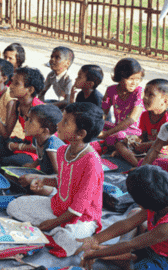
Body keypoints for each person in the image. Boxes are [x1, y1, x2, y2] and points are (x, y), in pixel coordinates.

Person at [6, 103, 105, 256]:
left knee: (67, 240)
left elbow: (79, 208)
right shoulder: (62, 151)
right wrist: (42, 180)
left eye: (65, 122)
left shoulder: (92, 163)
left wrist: (53, 223)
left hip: (82, 218)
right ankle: (55, 231)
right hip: (58, 206)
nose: (59, 124)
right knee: (14, 206)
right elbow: (63, 180)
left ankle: (58, 231)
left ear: (80, 134)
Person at [78, 165, 168, 270]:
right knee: (135, 213)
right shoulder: (160, 203)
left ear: (143, 202)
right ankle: (126, 255)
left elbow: (131, 244)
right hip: (154, 243)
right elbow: (127, 224)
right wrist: (95, 239)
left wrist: (93, 254)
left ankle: (126, 262)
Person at [0, 67, 45, 166]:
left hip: (38, 153)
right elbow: (6, 134)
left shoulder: (39, 109)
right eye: (12, 82)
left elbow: (44, 147)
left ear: (30, 89)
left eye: (16, 84)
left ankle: (6, 159)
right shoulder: (17, 105)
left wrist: (17, 146)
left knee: (7, 161)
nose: (11, 86)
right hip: (23, 145)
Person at [114, 79, 168, 167]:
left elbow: (166, 142)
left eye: (150, 95)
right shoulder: (145, 115)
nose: (145, 97)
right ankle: (139, 164)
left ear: (165, 101)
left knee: (162, 159)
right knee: (119, 144)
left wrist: (145, 146)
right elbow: (143, 136)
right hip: (146, 149)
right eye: (145, 93)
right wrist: (135, 140)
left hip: (161, 151)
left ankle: (137, 162)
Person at [11, 104, 66, 194]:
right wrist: (33, 165)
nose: (25, 122)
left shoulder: (52, 147)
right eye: (27, 118)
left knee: (39, 187)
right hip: (44, 176)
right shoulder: (36, 138)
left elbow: (60, 176)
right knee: (10, 175)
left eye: (30, 121)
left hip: (57, 185)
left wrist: (34, 177)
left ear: (44, 131)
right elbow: (42, 155)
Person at [99, 58, 145, 150]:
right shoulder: (111, 90)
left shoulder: (139, 92)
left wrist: (106, 134)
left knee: (115, 137)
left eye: (137, 79)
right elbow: (103, 113)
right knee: (94, 124)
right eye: (130, 79)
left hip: (135, 133)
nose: (134, 83)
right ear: (120, 77)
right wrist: (97, 126)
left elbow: (131, 119)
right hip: (118, 127)